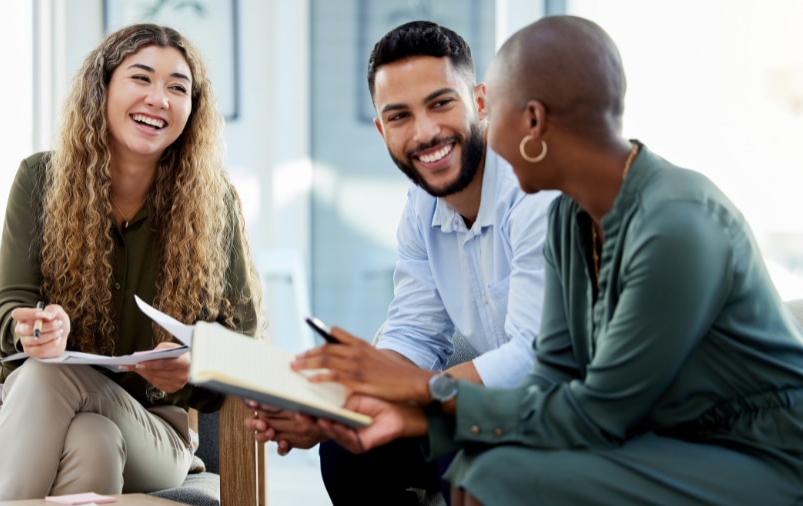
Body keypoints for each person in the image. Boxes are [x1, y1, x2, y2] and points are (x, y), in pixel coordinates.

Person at [294, 15, 803, 506]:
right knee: (482, 468)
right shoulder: (569, 219)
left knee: (499, 473)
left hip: (753, 449)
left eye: (496, 111)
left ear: (529, 119)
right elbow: (550, 375)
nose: (485, 135)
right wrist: (400, 410)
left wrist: (419, 396)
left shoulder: (678, 222)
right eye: (400, 114)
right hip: (650, 431)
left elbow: (596, 410)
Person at [245, 20, 556, 505]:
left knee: (464, 444)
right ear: (381, 128)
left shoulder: (534, 188)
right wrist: (331, 409)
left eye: (440, 103)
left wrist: (402, 389)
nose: (425, 132)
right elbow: (414, 332)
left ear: (479, 101)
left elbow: (531, 356)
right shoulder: (422, 204)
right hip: (482, 401)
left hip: (559, 410)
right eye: (399, 116)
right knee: (348, 447)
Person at [0, 24, 261, 501]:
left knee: (52, 380)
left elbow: (242, 344)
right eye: (141, 78)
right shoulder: (40, 180)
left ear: (192, 109)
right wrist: (34, 330)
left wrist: (193, 366)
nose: (159, 98)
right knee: (92, 441)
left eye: (177, 87)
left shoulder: (213, 203)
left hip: (151, 430)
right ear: (103, 88)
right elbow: (9, 307)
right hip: (8, 418)